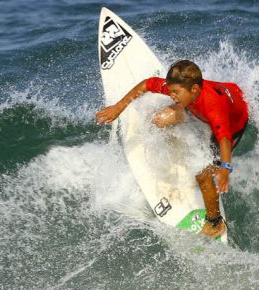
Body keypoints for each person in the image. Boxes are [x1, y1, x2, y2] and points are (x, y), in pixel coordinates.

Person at [95, 60, 249, 238]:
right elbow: (147, 84)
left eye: (175, 92)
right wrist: (118, 107)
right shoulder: (182, 89)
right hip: (211, 99)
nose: (171, 95)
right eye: (170, 90)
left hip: (234, 122)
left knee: (203, 175)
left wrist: (225, 168)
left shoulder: (214, 108)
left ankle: (215, 224)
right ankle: (184, 120)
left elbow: (224, 139)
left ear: (194, 90)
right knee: (159, 120)